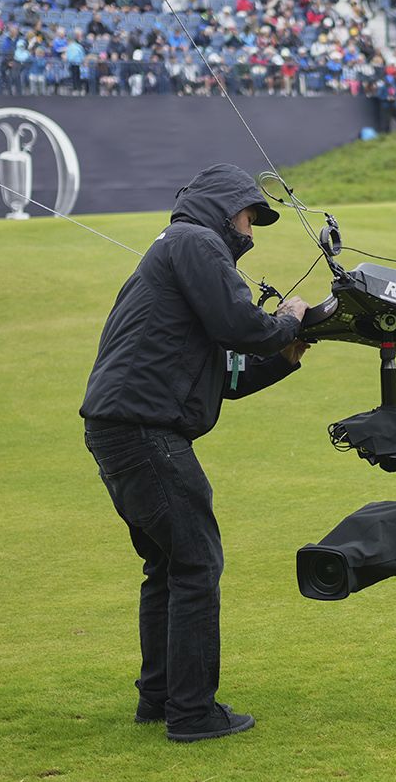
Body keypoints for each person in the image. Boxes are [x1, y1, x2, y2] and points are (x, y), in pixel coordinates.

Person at [80, 164, 311, 743]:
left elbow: (226, 378)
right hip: (143, 431)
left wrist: (286, 354)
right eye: (249, 216)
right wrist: (286, 319)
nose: (251, 233)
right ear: (224, 206)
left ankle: (159, 700)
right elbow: (244, 326)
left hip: (122, 427)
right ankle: (192, 713)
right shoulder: (197, 241)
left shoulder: (180, 250)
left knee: (168, 563)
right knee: (197, 564)